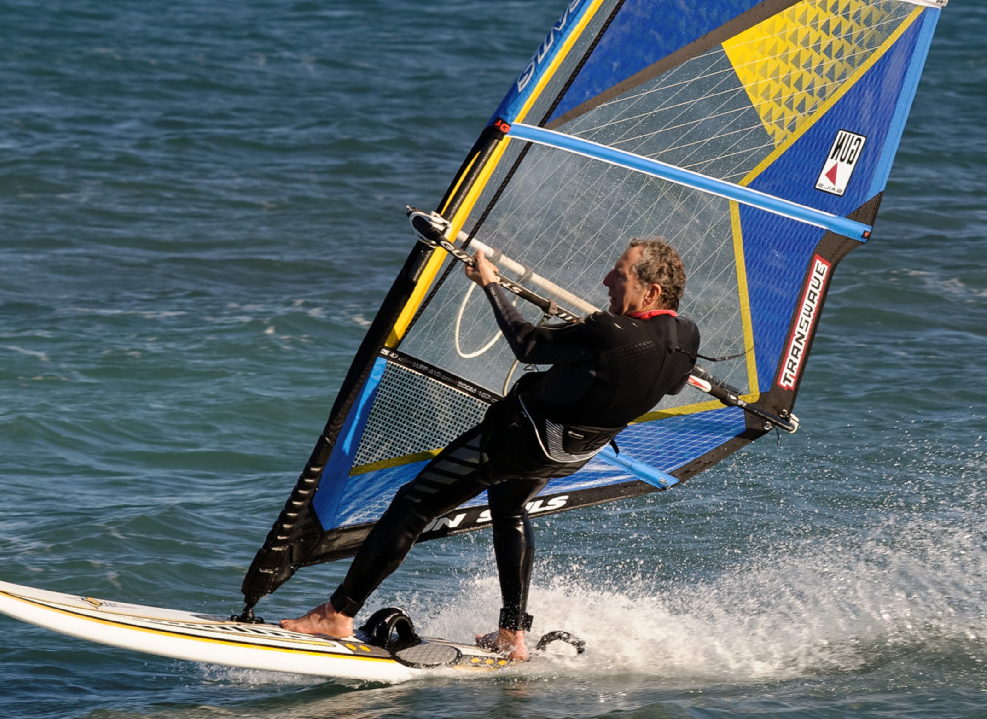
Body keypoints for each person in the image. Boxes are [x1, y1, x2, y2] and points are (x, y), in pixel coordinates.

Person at [282, 237, 700, 659]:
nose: (607, 280)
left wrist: (490, 284)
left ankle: (337, 612)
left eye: (620, 274)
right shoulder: (686, 338)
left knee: (414, 504)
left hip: (516, 441)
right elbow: (668, 383)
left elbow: (527, 344)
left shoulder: (609, 332)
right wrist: (587, 342)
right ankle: (512, 634)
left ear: (651, 292)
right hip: (567, 454)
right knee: (508, 505)